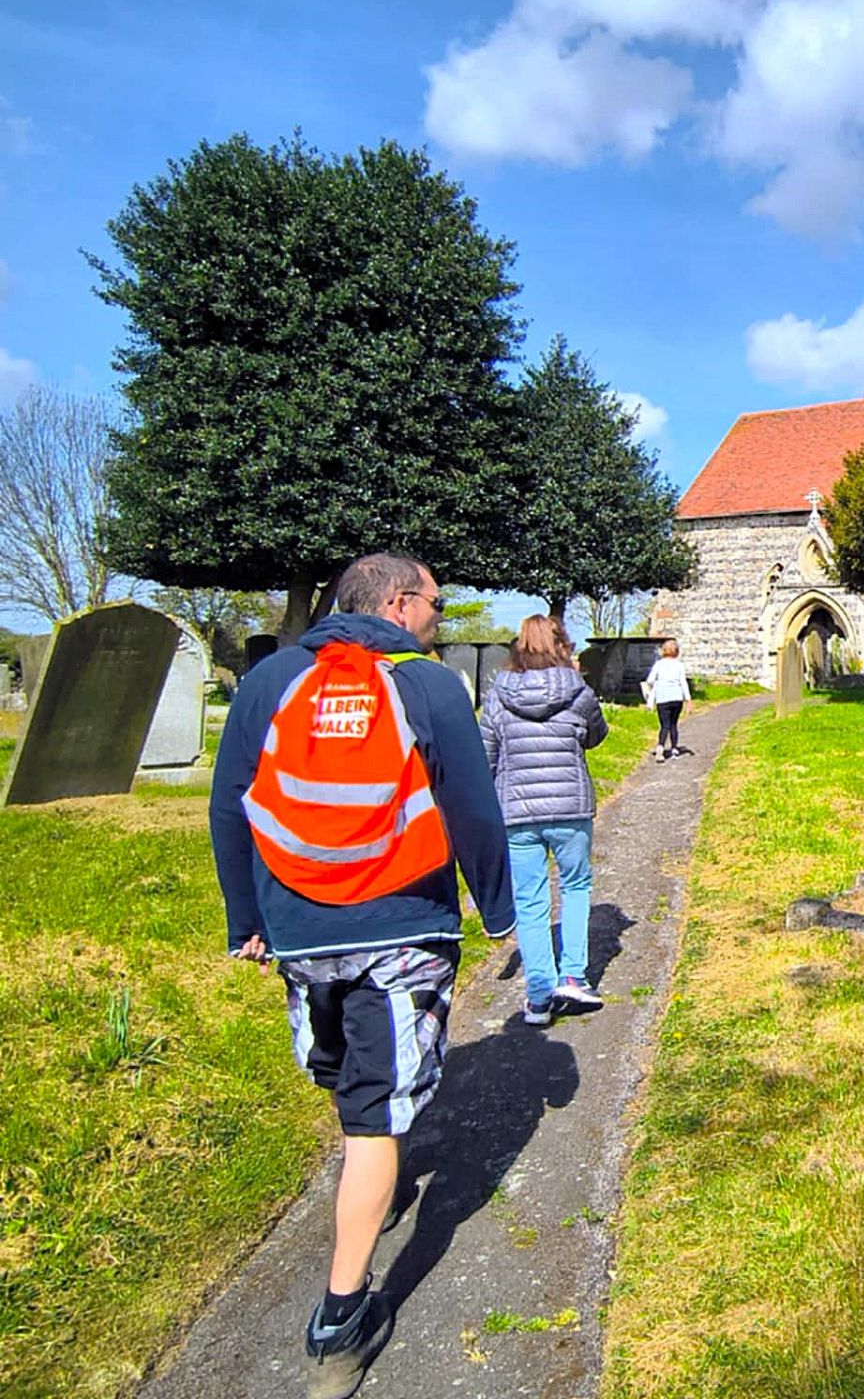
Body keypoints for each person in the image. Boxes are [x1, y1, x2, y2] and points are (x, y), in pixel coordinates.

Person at [209, 552, 515, 1399]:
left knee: (348, 1082)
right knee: (377, 1117)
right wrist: (498, 910)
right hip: (401, 925)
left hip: (300, 927)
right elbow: (472, 806)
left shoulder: (270, 680)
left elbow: (231, 802)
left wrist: (246, 918)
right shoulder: (428, 685)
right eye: (436, 604)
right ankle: (341, 1322)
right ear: (397, 604)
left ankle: (367, 1174)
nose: (440, 619)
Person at [480, 614, 609, 1024]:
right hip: (570, 806)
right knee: (575, 886)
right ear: (562, 644)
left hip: (517, 812)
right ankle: (573, 977)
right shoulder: (578, 691)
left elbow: (487, 755)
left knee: (530, 899)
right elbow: (597, 735)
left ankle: (539, 996)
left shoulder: (497, 694)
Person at [643, 637, 691, 761]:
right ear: (677, 652)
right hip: (676, 698)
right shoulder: (679, 665)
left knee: (664, 725)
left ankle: (660, 748)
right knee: (674, 724)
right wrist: (688, 700)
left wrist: (655, 687)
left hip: (662, 698)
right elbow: (683, 682)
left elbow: (650, 680)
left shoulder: (658, 665)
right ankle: (674, 748)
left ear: (663, 651)